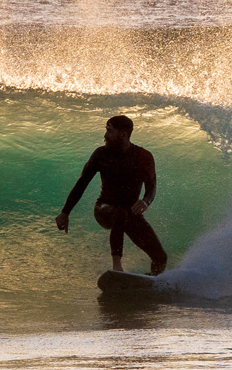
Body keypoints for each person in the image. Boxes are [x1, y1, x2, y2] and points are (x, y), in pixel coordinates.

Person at [55, 115, 168, 275]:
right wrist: (65, 212)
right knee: (120, 214)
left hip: (131, 214)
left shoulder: (143, 156)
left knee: (160, 258)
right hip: (104, 208)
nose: (105, 135)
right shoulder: (101, 154)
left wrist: (145, 201)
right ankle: (117, 267)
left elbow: (152, 186)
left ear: (123, 134)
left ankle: (148, 286)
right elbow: (82, 184)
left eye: (109, 131)